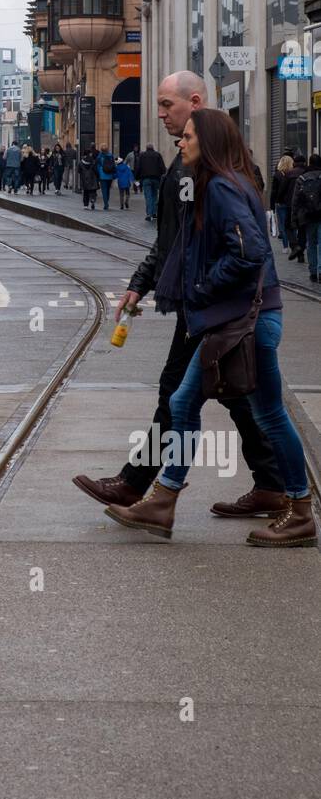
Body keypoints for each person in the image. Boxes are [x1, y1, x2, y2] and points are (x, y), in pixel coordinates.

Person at [73, 71, 284, 520]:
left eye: (168, 106)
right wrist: (140, 282)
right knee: (233, 395)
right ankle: (273, 483)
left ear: (195, 102)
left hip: (211, 306)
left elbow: (226, 245)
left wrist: (199, 288)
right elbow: (171, 240)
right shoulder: (188, 165)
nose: (162, 116)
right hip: (203, 303)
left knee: (181, 396)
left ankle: (139, 485)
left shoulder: (215, 169)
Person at [105, 108, 314, 547]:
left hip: (245, 321)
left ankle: (299, 509)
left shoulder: (221, 187)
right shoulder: (217, 183)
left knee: (267, 415)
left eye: (188, 136)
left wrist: (200, 287)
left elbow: (250, 252)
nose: (180, 142)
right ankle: (164, 499)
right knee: (186, 404)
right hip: (237, 319)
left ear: (210, 141)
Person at [292, 152, 321, 282]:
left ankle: (313, 272)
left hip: (308, 216)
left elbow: (295, 200)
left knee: (311, 243)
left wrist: (294, 217)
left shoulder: (302, 179)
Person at [282, 151, 308, 262]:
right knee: (302, 229)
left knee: (288, 226)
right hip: (304, 206)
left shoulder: (289, 174)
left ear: (294, 163)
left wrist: (279, 200)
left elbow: (282, 190)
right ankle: (301, 254)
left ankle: (294, 245)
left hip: (290, 204)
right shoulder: (307, 173)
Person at [270, 154, 294, 250]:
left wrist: (272, 205)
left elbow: (274, 191)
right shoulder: (294, 174)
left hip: (280, 203)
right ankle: (293, 244)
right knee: (292, 224)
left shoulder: (277, 175)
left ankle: (285, 246)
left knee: (282, 225)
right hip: (291, 202)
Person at [137, 142, 166, 221]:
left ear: (146, 148)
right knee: (155, 196)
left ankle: (149, 214)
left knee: (148, 196)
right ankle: (154, 213)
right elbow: (162, 167)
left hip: (146, 179)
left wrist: (137, 178)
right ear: (153, 148)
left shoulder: (142, 155)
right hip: (156, 179)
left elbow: (138, 167)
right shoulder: (157, 155)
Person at [96, 146, 117, 211]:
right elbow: (114, 165)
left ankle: (106, 204)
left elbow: (97, 166)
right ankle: (107, 201)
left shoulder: (100, 157)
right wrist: (113, 174)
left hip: (102, 176)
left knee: (104, 190)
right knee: (108, 190)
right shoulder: (111, 156)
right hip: (110, 175)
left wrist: (98, 174)